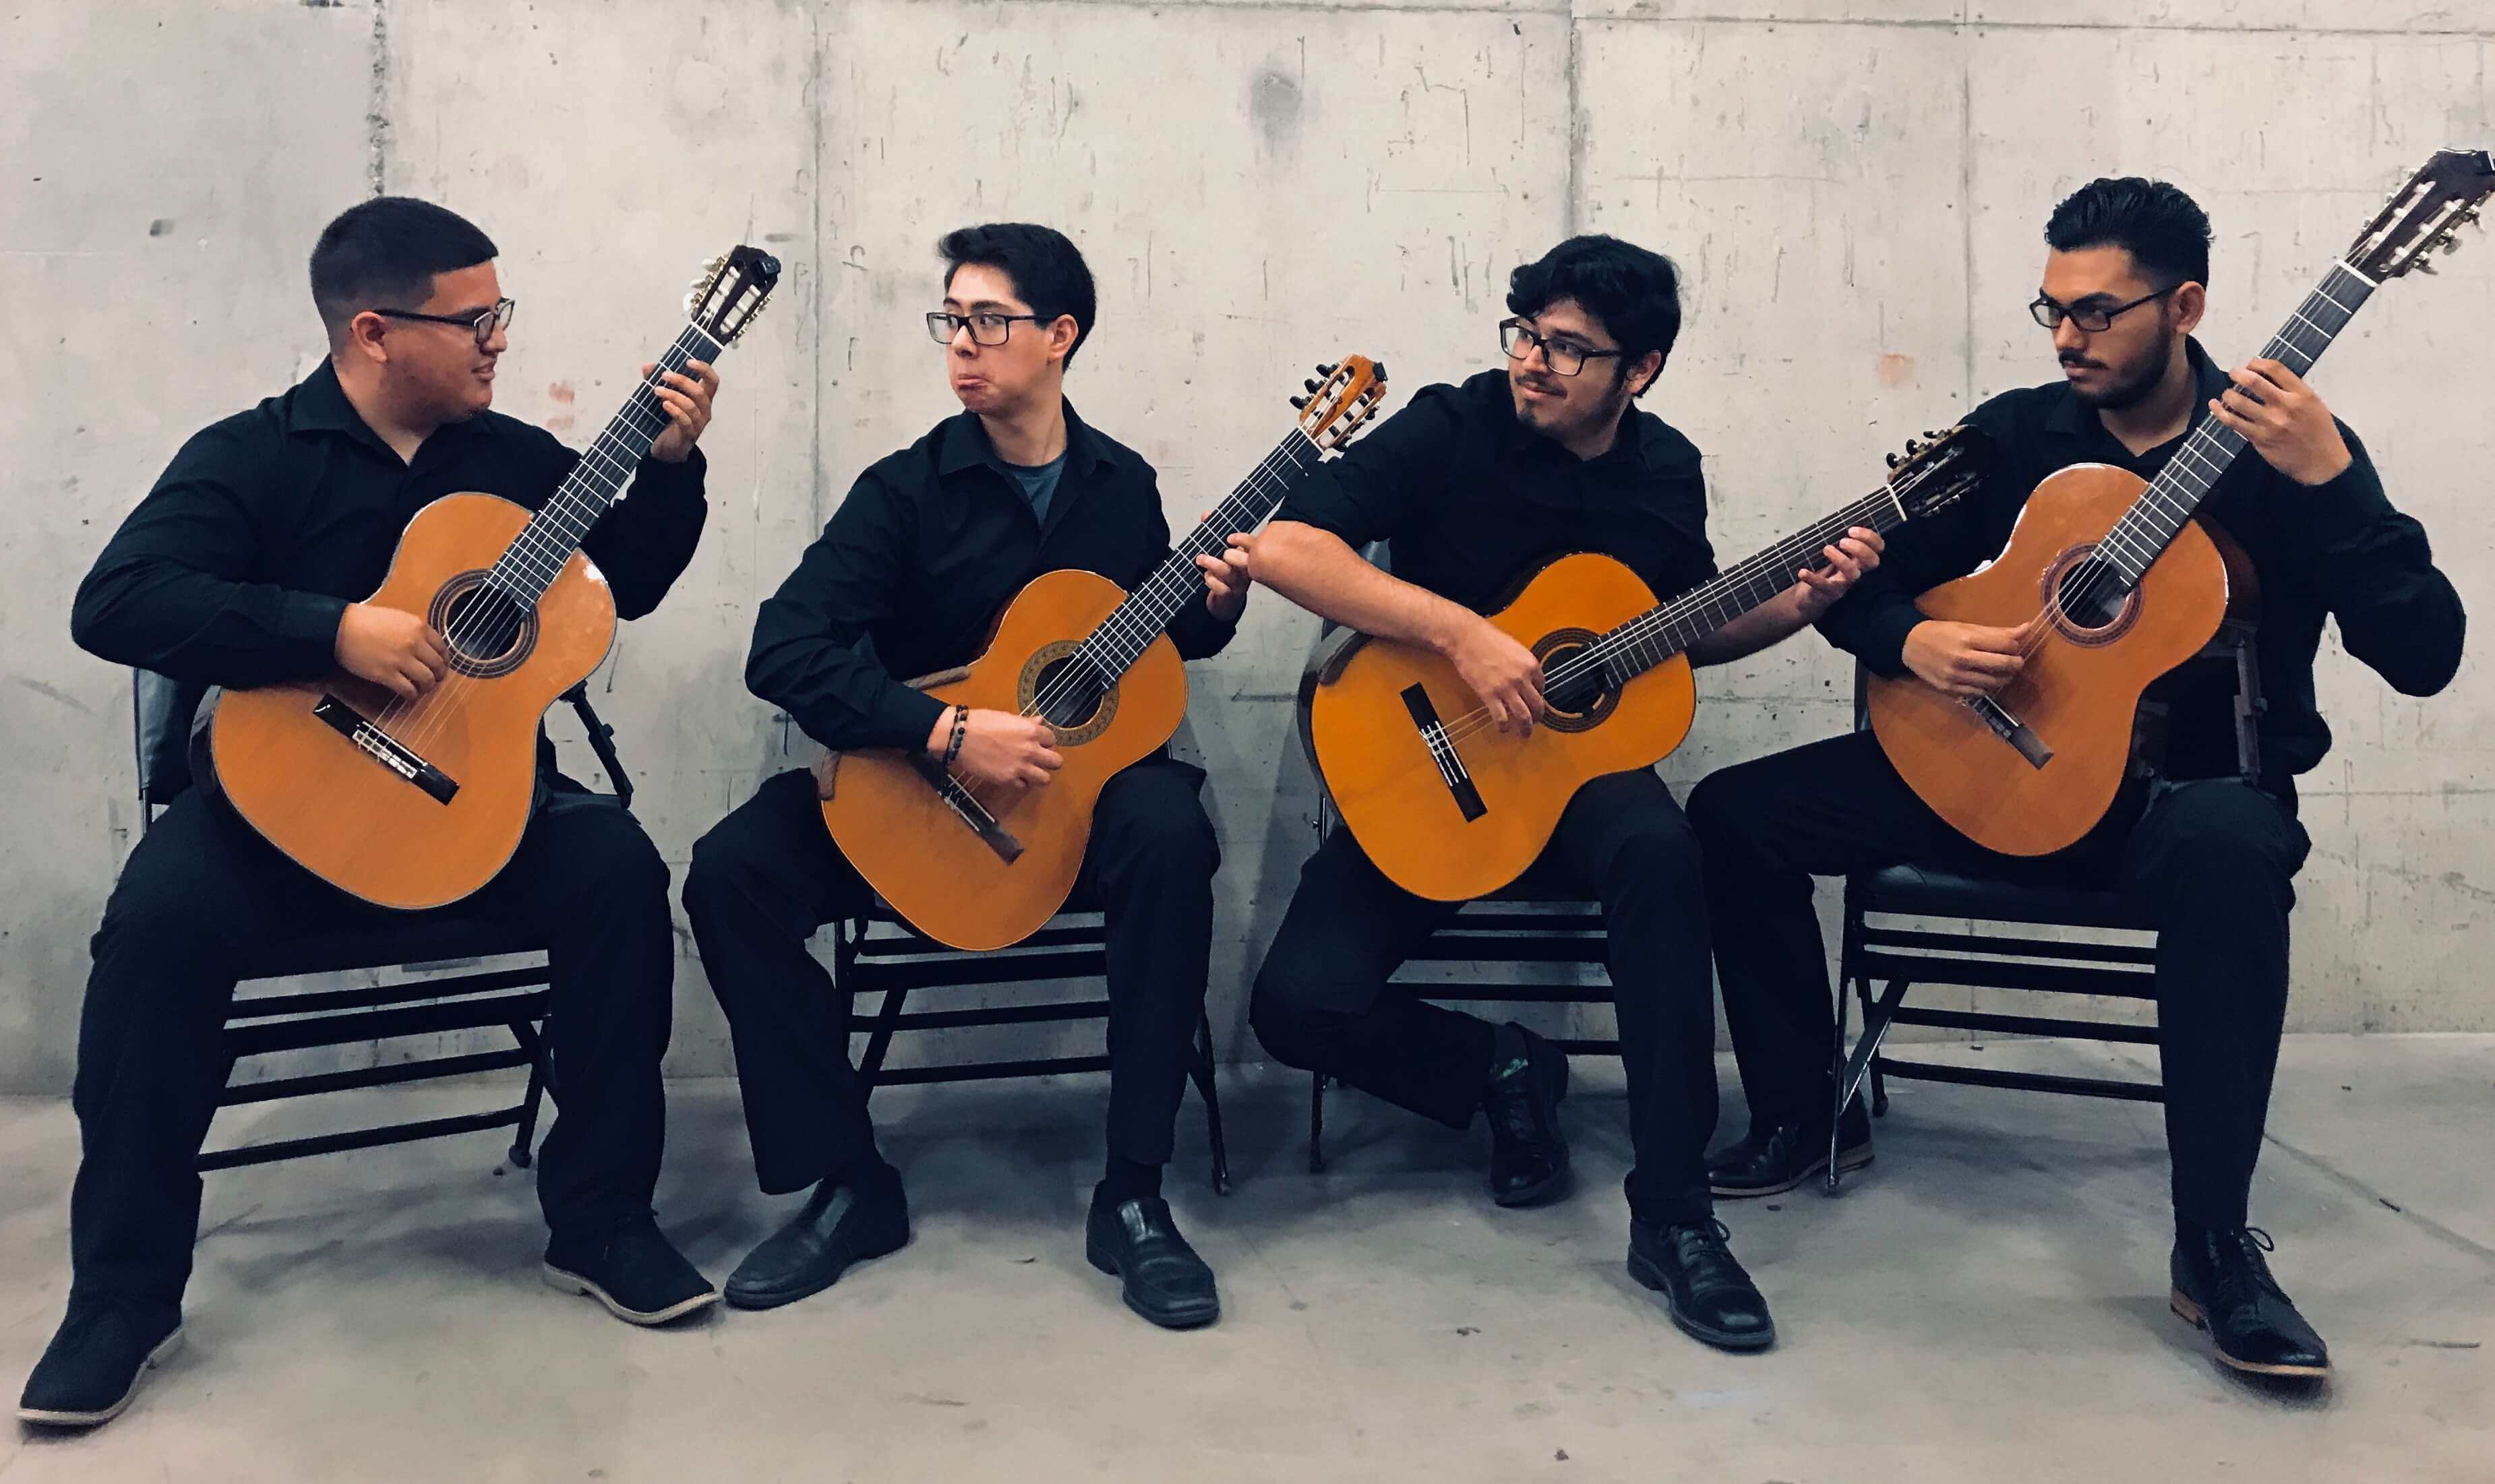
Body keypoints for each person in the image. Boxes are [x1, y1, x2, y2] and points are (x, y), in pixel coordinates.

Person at [1689, 177, 2465, 1380]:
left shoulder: (2279, 454)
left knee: (2232, 848)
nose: (2065, 339)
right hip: (1988, 765)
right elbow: (1859, 577)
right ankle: (1804, 1107)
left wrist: (2332, 479)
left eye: (2097, 313)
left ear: (2185, 305)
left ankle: (2213, 1244)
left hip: (2169, 805)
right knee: (1733, 812)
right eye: (2049, 310)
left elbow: (2424, 656)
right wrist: (1909, 640)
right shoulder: (2018, 433)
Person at [23, 196, 727, 1429]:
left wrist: (668, 469)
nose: (498, 341)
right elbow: (117, 601)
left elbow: (627, 588)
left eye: (501, 313)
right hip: (272, 808)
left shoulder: (509, 463)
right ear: (373, 333)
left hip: (467, 803)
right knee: (154, 935)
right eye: (474, 321)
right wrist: (328, 626)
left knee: (615, 869)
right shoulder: (252, 456)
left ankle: (603, 1219)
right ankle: (122, 1295)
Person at [1242, 235, 1882, 1353]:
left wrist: (1786, 612)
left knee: (1663, 853)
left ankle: (1674, 1219)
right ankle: (1499, 1065)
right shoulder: (1452, 423)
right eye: (1526, 333)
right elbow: (1285, 545)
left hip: (1579, 780)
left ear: (1640, 370)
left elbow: (1677, 631)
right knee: (1294, 1007)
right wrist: (1461, 634)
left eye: (1569, 349)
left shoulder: (1664, 468)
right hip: (1430, 770)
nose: (1533, 362)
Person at [680, 223, 1250, 1330]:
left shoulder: (1120, 486)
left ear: (1060, 337)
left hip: (1075, 809)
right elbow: (784, 650)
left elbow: (1140, 650)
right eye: (952, 321)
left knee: (1170, 832)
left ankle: (1133, 1192)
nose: (962, 346)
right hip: (918, 794)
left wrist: (1211, 614)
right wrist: (943, 732)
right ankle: (849, 1180)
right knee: (730, 871)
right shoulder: (905, 492)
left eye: (989, 321)